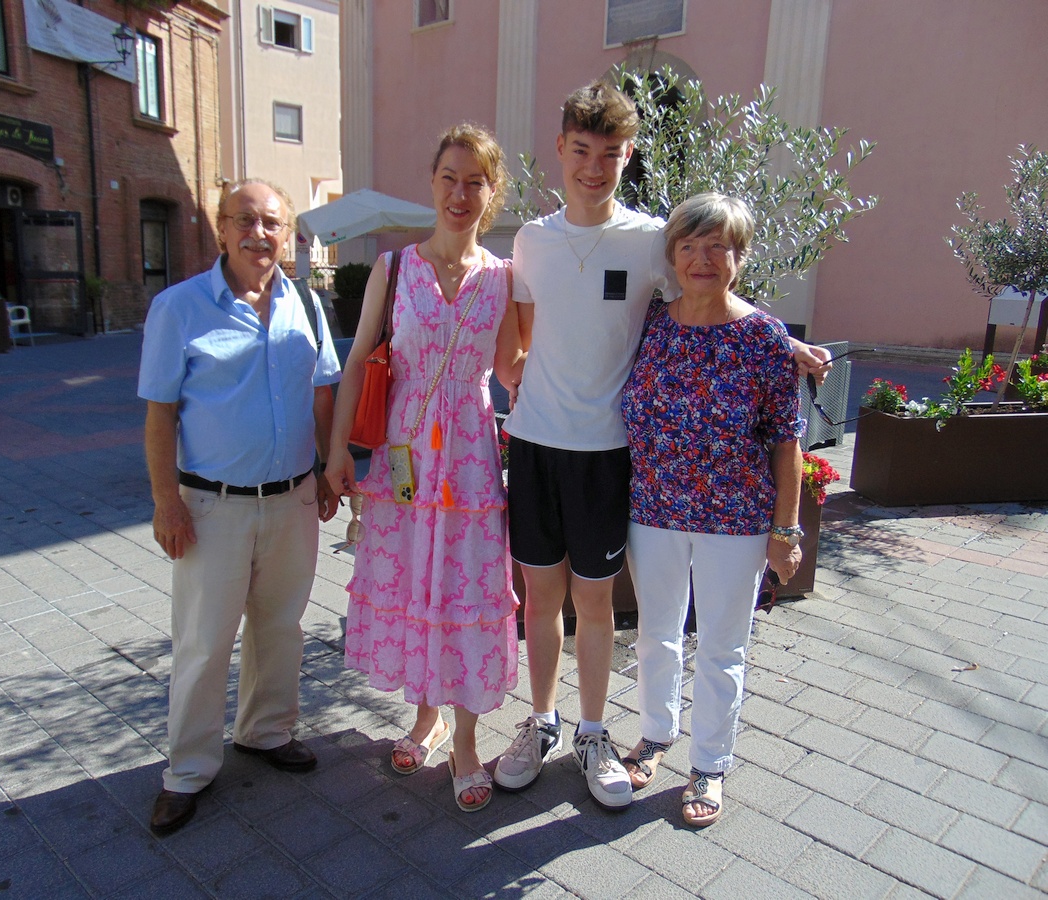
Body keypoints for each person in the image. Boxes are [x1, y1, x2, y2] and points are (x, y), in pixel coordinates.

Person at [494, 80, 827, 810]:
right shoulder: (530, 239)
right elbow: (514, 346)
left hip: (611, 457)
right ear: (560, 150)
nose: (593, 166)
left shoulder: (651, 240)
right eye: (581, 150)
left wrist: (783, 343)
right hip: (538, 447)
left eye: (609, 153)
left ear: (628, 156)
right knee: (541, 599)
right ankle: (542, 721)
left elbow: (713, 292)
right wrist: (519, 390)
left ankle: (592, 733)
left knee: (598, 602)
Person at [323, 124, 522, 813]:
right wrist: (336, 456)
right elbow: (357, 362)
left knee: (464, 591)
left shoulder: (504, 279)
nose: (460, 192)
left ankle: (465, 739)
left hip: (467, 462)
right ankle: (425, 716)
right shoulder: (393, 269)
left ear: (492, 194)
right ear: (431, 182)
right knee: (415, 580)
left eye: (475, 180)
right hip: (403, 458)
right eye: (449, 177)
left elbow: (513, 371)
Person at [138, 178, 341, 834]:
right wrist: (165, 501)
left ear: (288, 235)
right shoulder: (179, 308)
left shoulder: (307, 306)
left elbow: (323, 394)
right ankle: (188, 770)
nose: (260, 233)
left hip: (292, 499)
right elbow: (161, 414)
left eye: (273, 223)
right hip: (211, 507)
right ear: (220, 229)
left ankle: (266, 731)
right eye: (245, 220)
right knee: (203, 643)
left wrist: (327, 470)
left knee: (281, 626)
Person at [620, 192, 803, 827]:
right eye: (690, 245)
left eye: (717, 245)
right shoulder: (649, 321)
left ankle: (710, 765)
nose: (702, 258)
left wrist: (786, 529)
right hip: (653, 510)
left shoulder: (764, 338)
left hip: (736, 519)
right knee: (655, 635)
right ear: (672, 254)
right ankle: (655, 733)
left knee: (723, 646)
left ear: (739, 257)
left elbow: (787, 439)